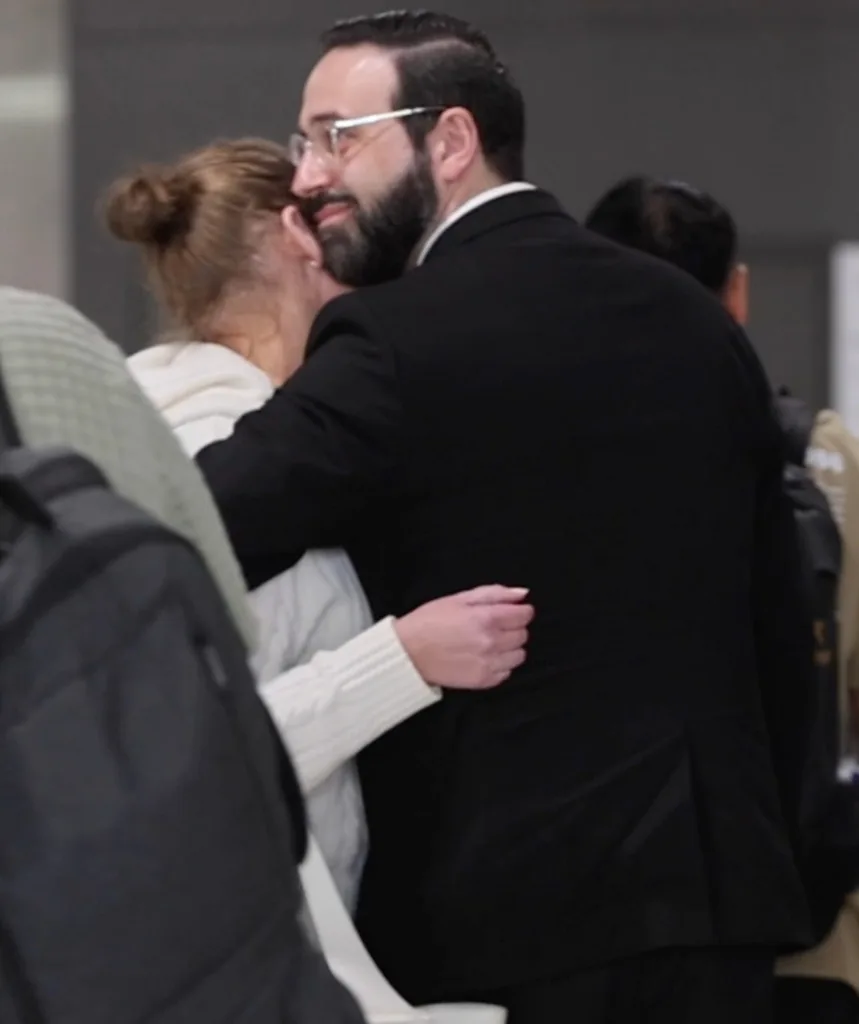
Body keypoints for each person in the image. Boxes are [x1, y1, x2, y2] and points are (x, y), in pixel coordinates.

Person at [195, 11, 813, 1022]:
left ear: (448, 140)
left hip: (501, 923)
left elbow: (203, 525)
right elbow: (777, 625)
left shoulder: (392, 340)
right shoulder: (695, 322)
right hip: (719, 904)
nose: (307, 176)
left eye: (334, 135)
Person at [103, 137, 533, 910]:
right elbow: (198, 749)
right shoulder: (225, 457)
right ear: (299, 239)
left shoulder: (168, 436)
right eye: (335, 224)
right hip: (233, 936)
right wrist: (402, 659)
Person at [585, 175, 859, 1023]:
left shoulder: (546, 458)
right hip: (811, 922)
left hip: (607, 926)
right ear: (734, 291)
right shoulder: (826, 459)